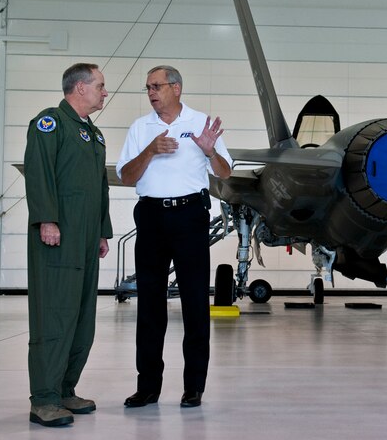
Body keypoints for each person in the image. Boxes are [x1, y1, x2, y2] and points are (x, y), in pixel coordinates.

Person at [116, 65, 232, 409]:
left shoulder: (200, 123)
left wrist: (210, 151)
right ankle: (148, 387)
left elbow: (225, 173)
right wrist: (150, 150)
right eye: (148, 88)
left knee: (195, 302)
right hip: (151, 218)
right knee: (150, 305)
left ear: (176, 88)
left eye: (157, 86)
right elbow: (125, 176)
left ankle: (193, 386)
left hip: (190, 217)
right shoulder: (141, 128)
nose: (151, 92)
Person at [23, 63, 112, 427]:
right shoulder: (50, 123)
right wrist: (47, 218)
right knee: (54, 316)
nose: (105, 93)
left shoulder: (94, 135)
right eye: (100, 86)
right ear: (79, 88)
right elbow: (38, 170)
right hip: (57, 238)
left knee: (81, 318)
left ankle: (64, 390)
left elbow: (101, 187)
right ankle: (43, 398)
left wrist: (103, 231)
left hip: (87, 240)